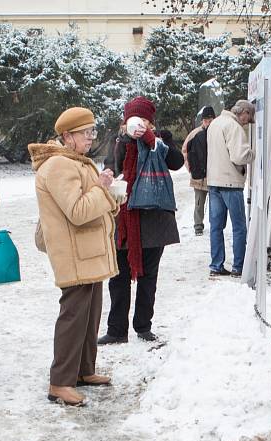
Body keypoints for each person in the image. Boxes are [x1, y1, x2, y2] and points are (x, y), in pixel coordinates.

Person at [29, 107, 121, 406]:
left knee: (90, 313)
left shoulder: (77, 162)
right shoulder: (59, 166)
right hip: (74, 252)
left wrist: (110, 196)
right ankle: (60, 382)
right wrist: (103, 190)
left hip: (88, 251)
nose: (90, 139)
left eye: (92, 132)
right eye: (85, 133)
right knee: (73, 316)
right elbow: (79, 212)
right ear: (67, 137)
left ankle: (83, 370)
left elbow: (93, 202)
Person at [98, 96, 184, 345]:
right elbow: (111, 169)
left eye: (146, 120)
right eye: (136, 120)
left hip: (155, 220)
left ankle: (143, 326)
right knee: (118, 277)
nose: (141, 125)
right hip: (124, 220)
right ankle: (116, 330)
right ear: (125, 123)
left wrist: (165, 141)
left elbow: (177, 163)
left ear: (152, 123)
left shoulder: (158, 145)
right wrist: (122, 147)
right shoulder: (119, 143)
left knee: (149, 277)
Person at [206, 99, 255, 277]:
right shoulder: (234, 127)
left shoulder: (215, 123)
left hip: (213, 182)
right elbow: (239, 156)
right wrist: (253, 154)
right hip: (231, 183)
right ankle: (238, 266)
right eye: (248, 119)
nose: (247, 122)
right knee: (239, 227)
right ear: (244, 112)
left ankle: (216, 265)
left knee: (216, 227)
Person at [182, 106, 216, 236]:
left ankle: (215, 225)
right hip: (198, 175)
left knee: (215, 204)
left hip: (214, 175)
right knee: (199, 202)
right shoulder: (195, 134)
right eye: (206, 120)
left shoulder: (217, 131)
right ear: (202, 120)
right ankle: (198, 225)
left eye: (210, 120)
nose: (208, 123)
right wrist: (190, 167)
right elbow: (184, 151)